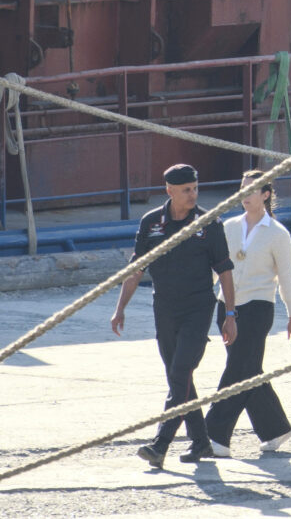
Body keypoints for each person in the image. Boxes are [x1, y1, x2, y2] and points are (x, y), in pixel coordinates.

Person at [111, 164, 237, 469]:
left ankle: (160, 444)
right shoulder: (152, 222)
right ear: (169, 190)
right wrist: (120, 308)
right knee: (178, 376)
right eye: (186, 190)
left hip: (198, 307)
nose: (193, 194)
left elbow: (225, 271)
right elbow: (136, 269)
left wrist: (230, 314)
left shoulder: (209, 223)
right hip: (164, 308)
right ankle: (201, 441)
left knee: (180, 372)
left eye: (195, 188)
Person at [205, 170, 291, 458]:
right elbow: (215, 268)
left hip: (259, 306)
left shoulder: (278, 234)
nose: (245, 195)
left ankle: (214, 433)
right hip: (228, 305)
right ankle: (275, 428)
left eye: (252, 190)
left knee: (238, 370)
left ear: (266, 195)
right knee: (247, 369)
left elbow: (286, 276)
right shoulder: (229, 226)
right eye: (242, 189)